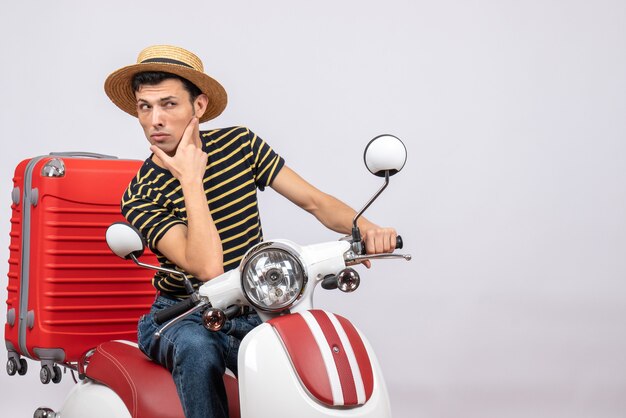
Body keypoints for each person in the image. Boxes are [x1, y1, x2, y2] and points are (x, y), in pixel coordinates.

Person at [104, 45, 397, 418]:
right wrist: (191, 180)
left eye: (169, 104)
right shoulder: (141, 193)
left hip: (258, 306)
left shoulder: (240, 144)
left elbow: (314, 200)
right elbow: (208, 267)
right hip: (183, 315)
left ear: (199, 107)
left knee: (308, 351)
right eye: (145, 107)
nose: (155, 119)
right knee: (198, 349)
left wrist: (367, 228)